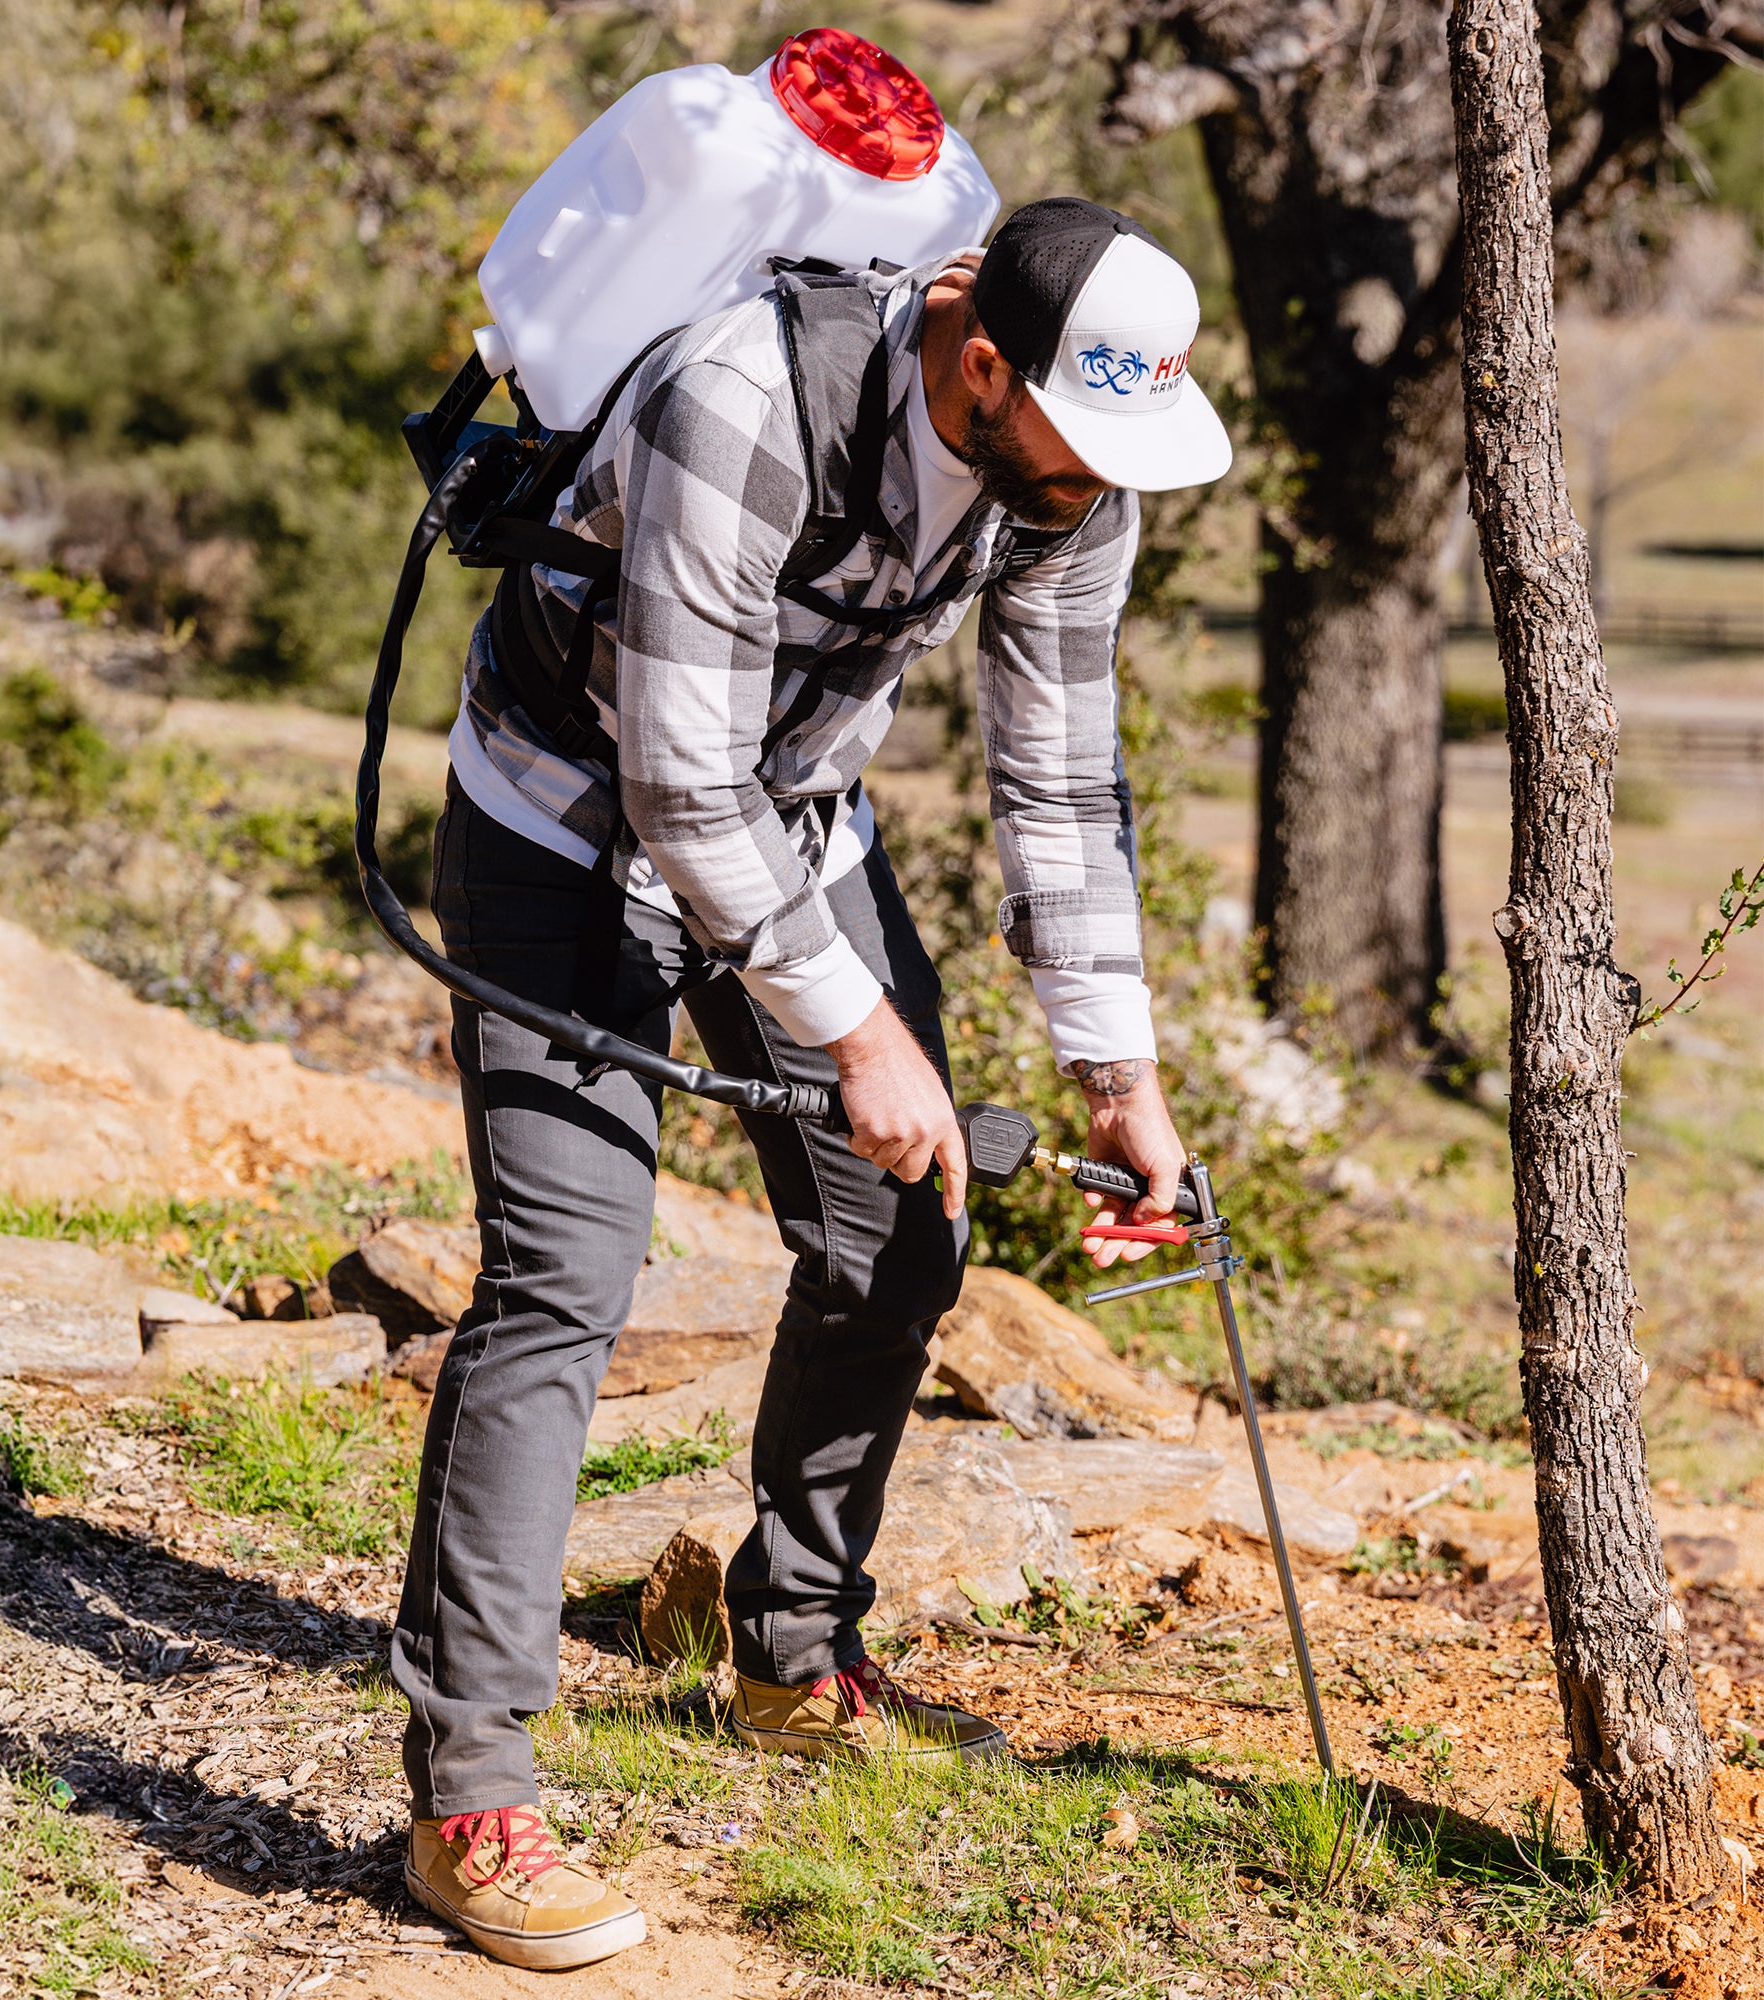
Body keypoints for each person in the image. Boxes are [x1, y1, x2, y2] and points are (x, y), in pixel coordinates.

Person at [390, 196, 1232, 1970]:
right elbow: (679, 784)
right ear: (979, 362)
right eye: (1077, 441)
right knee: (568, 1276)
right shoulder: (742, 397)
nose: (1095, 485)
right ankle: (474, 1791)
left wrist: (1114, 1072)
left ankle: (790, 1644)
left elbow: (1065, 781)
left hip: (792, 824)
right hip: (565, 818)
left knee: (898, 1231)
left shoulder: (1074, 480)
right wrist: (859, 1034)